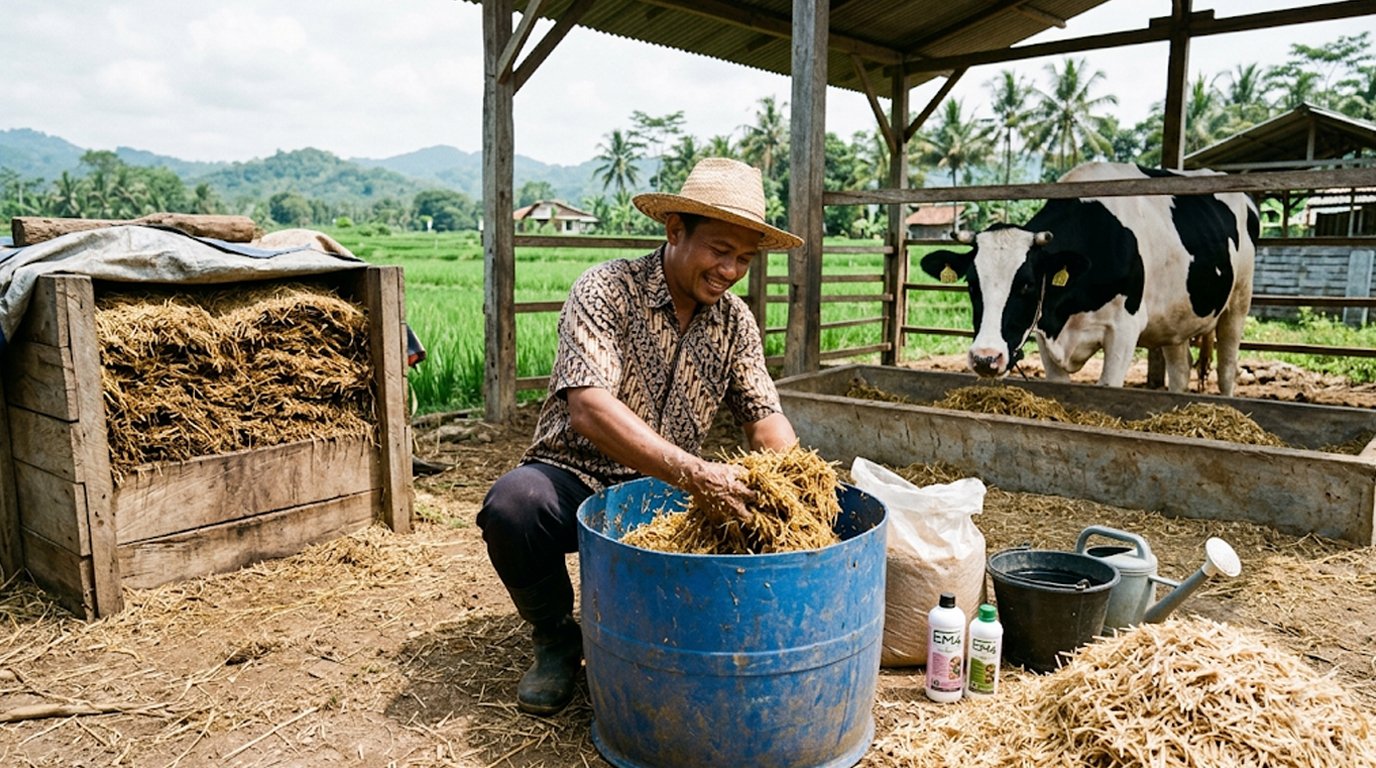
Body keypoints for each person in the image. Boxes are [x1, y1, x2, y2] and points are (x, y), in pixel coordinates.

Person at [476, 157, 804, 715]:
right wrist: (697, 474)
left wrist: (801, 485)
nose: (730, 270)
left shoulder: (735, 321)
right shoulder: (607, 289)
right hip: (578, 476)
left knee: (759, 519)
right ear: (675, 230)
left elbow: (764, 416)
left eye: (744, 259)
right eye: (720, 250)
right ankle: (555, 634)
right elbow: (589, 409)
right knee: (514, 506)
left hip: (665, 495)